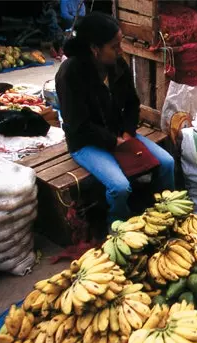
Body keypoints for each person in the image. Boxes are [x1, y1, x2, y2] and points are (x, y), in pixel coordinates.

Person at [55, 13, 175, 224]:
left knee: (167, 162)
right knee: (119, 187)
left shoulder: (118, 65)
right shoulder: (70, 74)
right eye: (114, 46)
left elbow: (132, 103)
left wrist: (127, 132)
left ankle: (164, 214)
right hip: (85, 142)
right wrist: (114, 142)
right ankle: (119, 229)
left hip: (119, 133)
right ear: (95, 48)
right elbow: (78, 124)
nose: (120, 50)